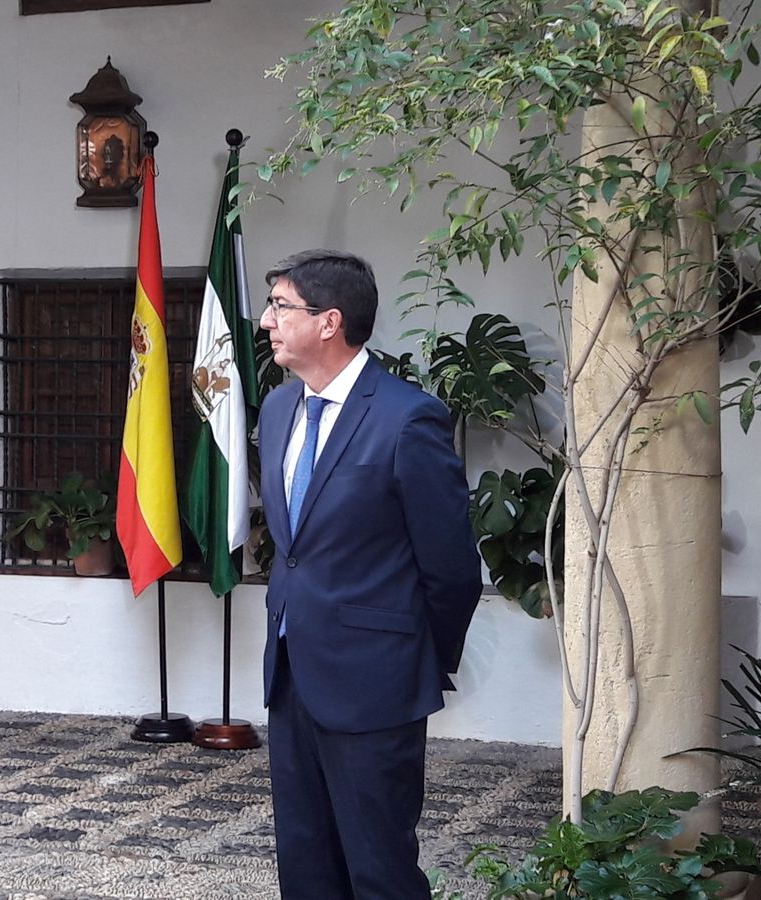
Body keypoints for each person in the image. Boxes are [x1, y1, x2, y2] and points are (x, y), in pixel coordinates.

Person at [256, 250, 481, 900]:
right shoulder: (277, 412)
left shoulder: (407, 417)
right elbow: (295, 550)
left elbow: (452, 568)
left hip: (376, 683)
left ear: (329, 321)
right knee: (305, 865)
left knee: (378, 870)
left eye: (280, 306)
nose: (266, 319)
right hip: (293, 673)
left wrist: (413, 657)